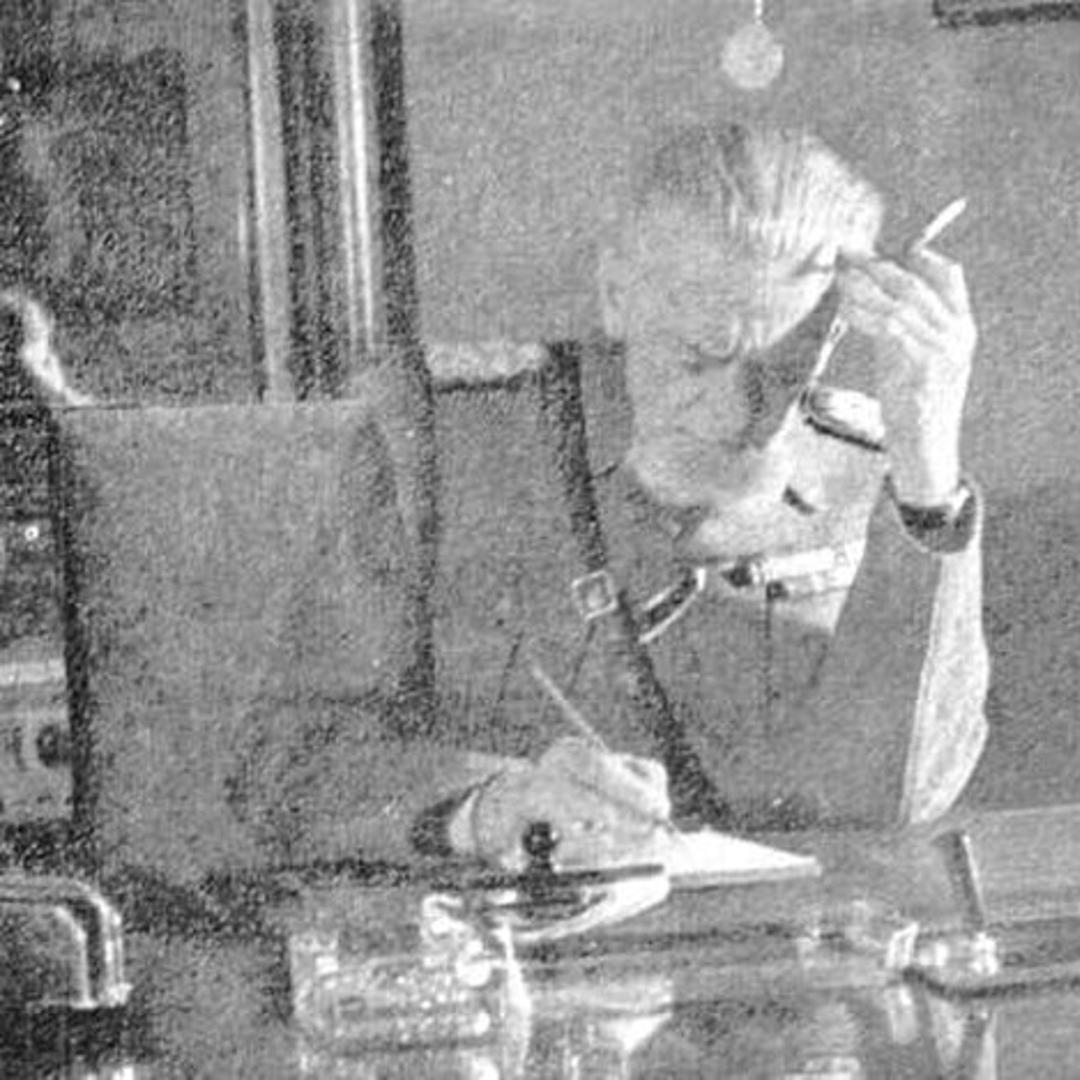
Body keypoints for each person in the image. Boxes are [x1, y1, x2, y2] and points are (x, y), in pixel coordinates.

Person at [230, 122, 989, 869]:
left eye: (783, 370)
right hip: (519, 937)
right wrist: (488, 808)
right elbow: (286, 768)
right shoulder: (446, 448)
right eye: (698, 358)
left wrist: (927, 486)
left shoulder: (872, 475)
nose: (736, 415)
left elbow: (897, 802)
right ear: (615, 292)